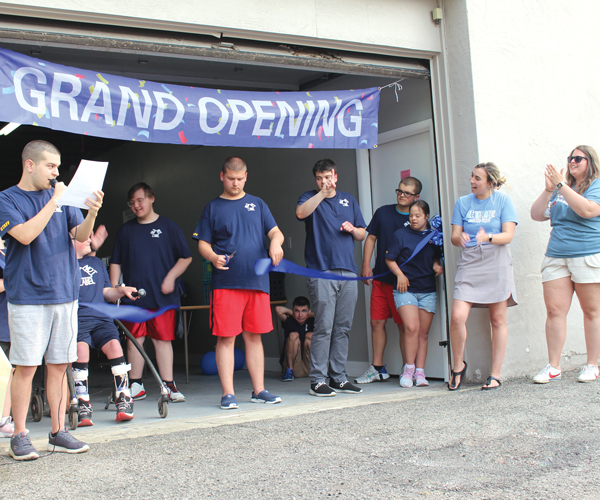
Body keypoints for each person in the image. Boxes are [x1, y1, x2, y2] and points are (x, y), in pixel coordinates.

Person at [0, 140, 103, 460]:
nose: (57, 173)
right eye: (50, 166)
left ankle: (59, 431)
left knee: (59, 365)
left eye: (58, 167)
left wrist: (91, 212)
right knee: (26, 367)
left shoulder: (63, 196)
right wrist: (54, 201)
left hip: (65, 294)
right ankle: (19, 435)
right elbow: (25, 235)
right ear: (30, 165)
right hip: (28, 295)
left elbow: (81, 237)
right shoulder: (7, 199)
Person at [195, 156, 284, 409]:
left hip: (257, 282)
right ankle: (228, 394)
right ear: (221, 176)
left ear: (246, 177)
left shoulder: (257, 204)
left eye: (240, 179)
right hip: (226, 283)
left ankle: (259, 390)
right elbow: (203, 242)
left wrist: (276, 244)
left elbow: (275, 232)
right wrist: (212, 257)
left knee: (254, 337)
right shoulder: (212, 208)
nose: (235, 183)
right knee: (226, 337)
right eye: (231, 178)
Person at [110, 182, 192, 403]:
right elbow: (115, 262)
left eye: (140, 200)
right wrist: (115, 289)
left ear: (151, 198)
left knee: (163, 340)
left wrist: (171, 277)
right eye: (132, 202)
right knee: (134, 339)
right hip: (133, 297)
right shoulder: (126, 231)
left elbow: (186, 257)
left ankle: (169, 385)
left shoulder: (169, 227)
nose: (136, 206)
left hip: (163, 297)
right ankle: (135, 384)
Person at [530, 146, 600, 384]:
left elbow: (587, 210)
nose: (572, 161)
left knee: (591, 311)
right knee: (554, 311)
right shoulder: (560, 189)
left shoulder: (596, 185)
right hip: (556, 256)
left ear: (590, 162)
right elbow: (537, 214)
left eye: (578, 158)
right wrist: (549, 189)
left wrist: (561, 186)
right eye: (570, 158)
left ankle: (591, 365)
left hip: (586, 254)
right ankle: (553, 367)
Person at [296, 158, 366, 397]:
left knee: (343, 327)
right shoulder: (309, 198)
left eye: (327, 177)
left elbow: (362, 234)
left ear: (336, 176)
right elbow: (300, 213)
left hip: (348, 270)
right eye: (319, 178)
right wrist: (321, 194)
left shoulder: (349, 200)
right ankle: (317, 380)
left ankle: (339, 378)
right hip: (321, 270)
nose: (324, 182)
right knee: (324, 326)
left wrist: (353, 229)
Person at [449, 162, 518, 391]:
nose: (472, 181)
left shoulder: (502, 201)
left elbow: (508, 235)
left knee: (497, 320)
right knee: (458, 317)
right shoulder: (462, 203)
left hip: (495, 263)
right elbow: (454, 235)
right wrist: (459, 239)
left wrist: (487, 237)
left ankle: (495, 374)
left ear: (490, 182)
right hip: (470, 263)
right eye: (472, 176)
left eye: (477, 178)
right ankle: (458, 366)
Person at [356, 176, 422, 384]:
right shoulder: (383, 212)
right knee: (376, 322)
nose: (402, 195)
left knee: (404, 326)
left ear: (416, 197)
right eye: (399, 191)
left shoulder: (416, 218)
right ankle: (377, 368)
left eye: (407, 193)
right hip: (380, 278)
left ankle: (407, 369)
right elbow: (371, 238)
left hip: (403, 283)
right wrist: (366, 264)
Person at [73, 233, 138, 425]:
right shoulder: (64, 264)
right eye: (83, 236)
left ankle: (124, 397)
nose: (88, 239)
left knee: (115, 347)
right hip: (78, 319)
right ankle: (82, 400)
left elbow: (105, 292)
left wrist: (120, 291)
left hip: (101, 318)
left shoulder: (96, 264)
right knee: (81, 351)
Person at [385, 200, 443, 387]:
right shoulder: (400, 235)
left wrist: (437, 263)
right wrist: (400, 275)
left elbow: (436, 255)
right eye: (411, 215)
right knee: (411, 328)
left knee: (423, 334)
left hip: (427, 289)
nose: (414, 219)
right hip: (405, 289)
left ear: (426, 216)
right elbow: (389, 259)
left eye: (418, 215)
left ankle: (420, 373)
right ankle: (408, 370)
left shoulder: (434, 236)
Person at [275, 296, 314, 382]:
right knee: (293, 335)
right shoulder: (289, 320)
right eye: (297, 311)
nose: (300, 315)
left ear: (308, 311)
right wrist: (291, 313)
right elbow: (278, 309)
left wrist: (310, 315)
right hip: (295, 365)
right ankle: (290, 371)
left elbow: (325, 316)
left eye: (304, 311)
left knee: (310, 335)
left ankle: (322, 369)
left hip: (311, 367)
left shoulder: (312, 320)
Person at [0, 242, 15, 438]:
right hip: (2, 322)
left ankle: (5, 419)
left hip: (13, 321)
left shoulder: (10, 250)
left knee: (11, 371)